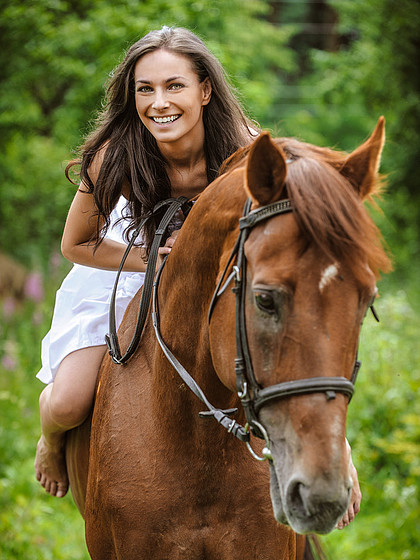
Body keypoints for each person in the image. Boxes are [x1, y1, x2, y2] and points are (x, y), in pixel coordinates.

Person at [34, 25, 360, 529]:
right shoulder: (115, 153)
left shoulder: (246, 148)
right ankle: (50, 440)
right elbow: (75, 244)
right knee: (71, 398)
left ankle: (329, 449)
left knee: (273, 342)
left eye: (174, 86)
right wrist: (153, 260)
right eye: (145, 89)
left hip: (216, 274)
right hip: (130, 259)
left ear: (205, 90)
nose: (158, 103)